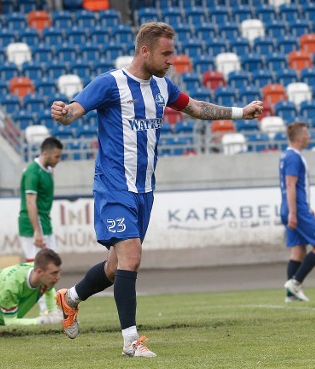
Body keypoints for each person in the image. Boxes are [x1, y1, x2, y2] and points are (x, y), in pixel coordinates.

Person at [50, 21, 264, 357]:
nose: (171, 60)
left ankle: (70, 297)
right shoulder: (111, 83)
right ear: (145, 50)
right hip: (114, 187)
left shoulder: (163, 87)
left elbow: (196, 109)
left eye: (172, 54)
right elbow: (74, 110)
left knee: (114, 267)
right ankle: (131, 341)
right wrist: (63, 113)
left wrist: (241, 112)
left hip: (145, 190)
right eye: (166, 54)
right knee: (132, 259)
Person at [280, 122, 315, 302]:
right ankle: (295, 283)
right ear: (300, 137)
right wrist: (295, 212)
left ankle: (291, 297)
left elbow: (293, 186)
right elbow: (290, 184)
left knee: (298, 252)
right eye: (307, 134)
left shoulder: (286, 155)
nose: (309, 137)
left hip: (291, 208)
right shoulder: (294, 157)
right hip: (296, 209)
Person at [18, 136, 63, 314]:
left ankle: (51, 307)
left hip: (45, 222)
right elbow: (30, 202)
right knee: (40, 269)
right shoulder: (32, 172)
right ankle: (46, 309)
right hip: (33, 226)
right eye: (57, 157)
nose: (58, 161)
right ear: (45, 153)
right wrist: (36, 231)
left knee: (51, 266)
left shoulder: (48, 170)